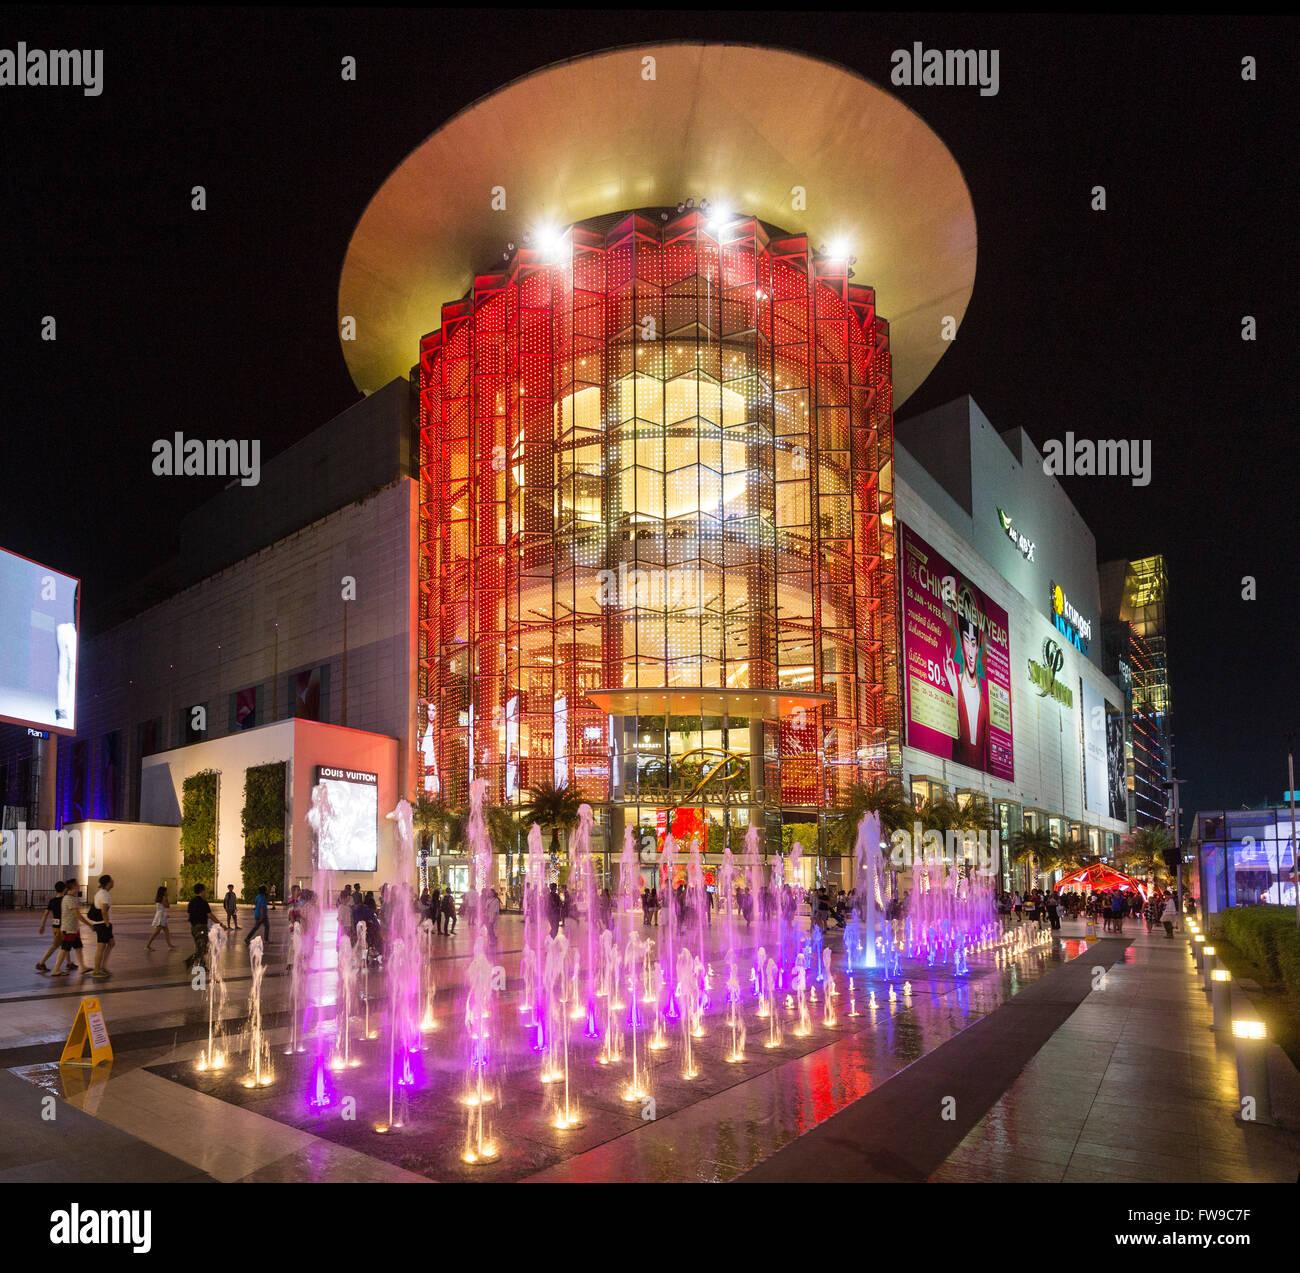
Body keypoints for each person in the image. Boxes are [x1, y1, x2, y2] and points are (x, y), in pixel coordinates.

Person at [50, 880, 90, 976]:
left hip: (74, 929)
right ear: (74, 886)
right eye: (78, 884)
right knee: (64, 949)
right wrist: (89, 924)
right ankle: (56, 970)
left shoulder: (72, 898)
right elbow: (77, 915)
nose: (79, 885)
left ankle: (83, 967)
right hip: (69, 929)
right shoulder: (69, 899)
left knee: (78, 947)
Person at [36, 880, 71, 972]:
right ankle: (41, 963)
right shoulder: (66, 900)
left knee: (65, 944)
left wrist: (42, 925)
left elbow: (45, 914)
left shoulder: (52, 901)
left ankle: (69, 963)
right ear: (65, 889)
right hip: (63, 927)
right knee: (55, 946)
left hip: (55, 927)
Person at [184, 884, 219, 971]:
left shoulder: (191, 902)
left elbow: (189, 915)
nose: (206, 892)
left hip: (194, 928)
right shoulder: (203, 902)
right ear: (202, 891)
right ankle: (190, 961)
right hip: (201, 928)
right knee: (203, 948)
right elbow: (210, 915)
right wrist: (220, 923)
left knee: (199, 946)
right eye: (205, 890)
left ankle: (202, 965)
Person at [88, 874, 115, 980]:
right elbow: (104, 910)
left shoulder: (101, 893)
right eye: (112, 881)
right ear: (108, 883)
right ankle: (96, 970)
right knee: (101, 947)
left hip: (101, 923)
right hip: (102, 924)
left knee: (111, 943)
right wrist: (107, 923)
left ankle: (102, 967)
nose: (113, 882)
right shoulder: (104, 894)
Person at [145, 884, 176, 951]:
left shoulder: (159, 898)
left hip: (161, 915)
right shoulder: (163, 898)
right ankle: (148, 945)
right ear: (163, 892)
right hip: (161, 917)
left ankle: (170, 945)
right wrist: (167, 898)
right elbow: (167, 906)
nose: (167, 892)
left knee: (166, 931)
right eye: (166, 891)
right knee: (157, 932)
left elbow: (163, 907)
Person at [247, 883, 271, 947]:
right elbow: (262, 908)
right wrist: (262, 916)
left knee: (256, 927)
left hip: (257, 913)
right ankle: (265, 940)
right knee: (266, 926)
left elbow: (256, 903)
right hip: (262, 915)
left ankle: (248, 938)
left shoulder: (257, 896)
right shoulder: (263, 898)